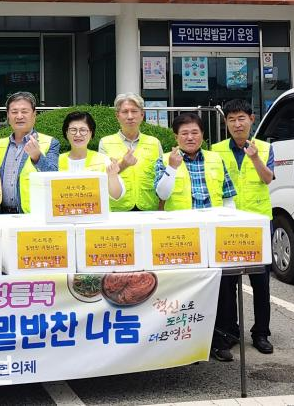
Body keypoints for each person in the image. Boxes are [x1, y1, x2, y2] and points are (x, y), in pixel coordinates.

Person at [153, 112, 238, 362]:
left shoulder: (215, 159)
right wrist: (172, 167)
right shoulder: (165, 159)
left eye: (194, 132)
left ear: (202, 135)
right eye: (184, 133)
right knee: (185, 289)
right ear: (176, 136)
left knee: (221, 288)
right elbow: (162, 194)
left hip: (213, 234)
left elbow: (228, 197)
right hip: (180, 237)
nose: (190, 137)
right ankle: (185, 341)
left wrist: (229, 228)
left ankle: (220, 338)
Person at [212, 99, 275, 356]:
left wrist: (256, 158)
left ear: (251, 119)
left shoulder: (265, 148)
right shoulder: (215, 150)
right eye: (231, 119)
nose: (237, 124)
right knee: (227, 283)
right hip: (226, 223)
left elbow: (268, 179)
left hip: (258, 222)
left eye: (241, 118)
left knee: (260, 281)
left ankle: (261, 333)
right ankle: (230, 331)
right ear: (225, 123)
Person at [0, 91, 60, 214]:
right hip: (2, 215)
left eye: (24, 111)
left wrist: (37, 157)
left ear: (34, 114)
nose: (19, 116)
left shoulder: (50, 142)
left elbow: (54, 177)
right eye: (14, 112)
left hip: (32, 215)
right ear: (8, 115)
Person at [98, 93, 162, 211]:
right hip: (118, 209)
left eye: (134, 111)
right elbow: (102, 178)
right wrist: (123, 164)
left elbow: (161, 177)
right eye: (125, 112)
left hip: (149, 208)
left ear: (142, 115)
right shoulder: (105, 142)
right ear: (117, 116)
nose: (130, 116)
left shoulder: (154, 142)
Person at [59, 111, 124, 200]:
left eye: (83, 130)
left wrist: (112, 175)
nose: (78, 134)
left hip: (94, 209)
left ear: (91, 133)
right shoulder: (56, 161)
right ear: (66, 133)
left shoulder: (103, 160)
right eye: (73, 130)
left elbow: (116, 195)